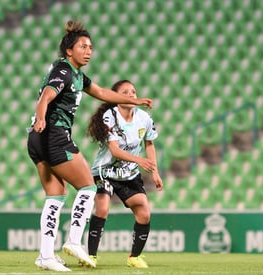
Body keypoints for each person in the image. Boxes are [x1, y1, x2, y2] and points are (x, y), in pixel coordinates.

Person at [27, 21, 153, 272]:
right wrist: (42, 116)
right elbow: (46, 96)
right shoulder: (63, 71)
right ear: (69, 51)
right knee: (87, 187)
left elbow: (104, 93)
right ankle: (74, 241)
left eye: (91, 47)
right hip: (53, 134)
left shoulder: (77, 75)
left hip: (36, 138)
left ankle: (45, 255)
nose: (88, 51)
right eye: (83, 46)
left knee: (55, 196)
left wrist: (133, 100)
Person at [86, 80, 163, 268]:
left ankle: (134, 257)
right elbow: (115, 151)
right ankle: (91, 256)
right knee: (103, 208)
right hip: (105, 172)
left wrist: (155, 172)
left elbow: (149, 144)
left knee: (144, 211)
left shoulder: (144, 118)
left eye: (134, 91)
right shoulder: (109, 116)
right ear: (116, 97)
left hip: (128, 174)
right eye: (125, 92)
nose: (131, 94)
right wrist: (140, 161)